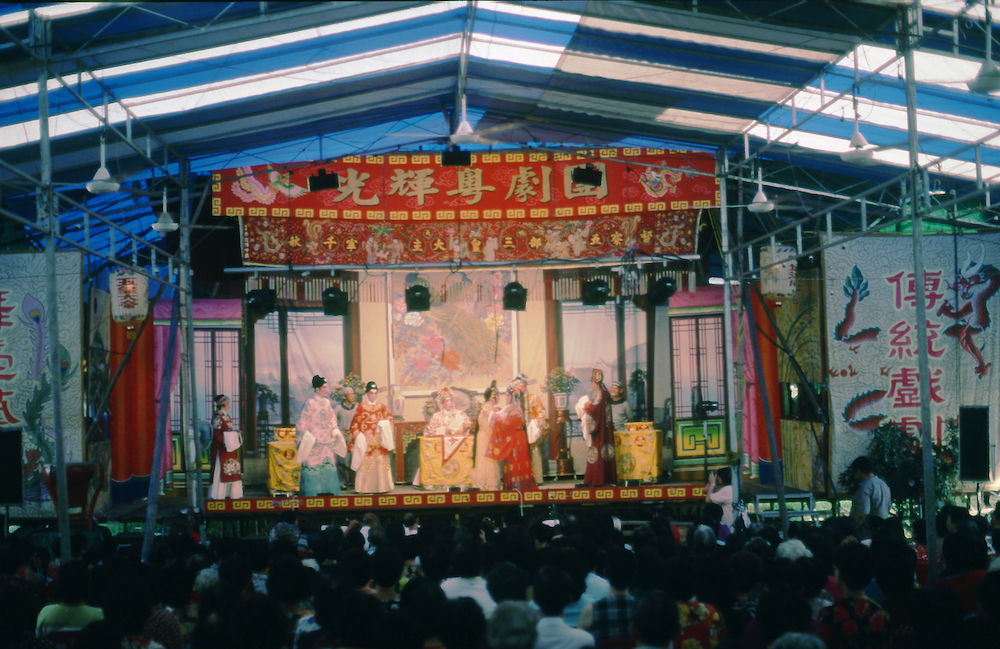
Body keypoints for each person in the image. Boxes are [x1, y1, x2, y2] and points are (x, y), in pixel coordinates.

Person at [295, 375, 347, 496]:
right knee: (313, 466)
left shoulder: (327, 403)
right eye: (324, 387)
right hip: (314, 443)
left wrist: (335, 430)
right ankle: (312, 493)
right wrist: (307, 435)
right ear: (317, 389)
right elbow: (302, 421)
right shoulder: (310, 403)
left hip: (326, 441)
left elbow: (332, 419)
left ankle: (329, 492)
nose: (327, 389)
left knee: (327, 466)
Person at [485, 381, 538, 491]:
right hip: (513, 436)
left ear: (513, 396)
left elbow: (506, 423)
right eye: (506, 395)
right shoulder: (510, 407)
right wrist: (497, 412)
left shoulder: (517, 408)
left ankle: (519, 486)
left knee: (517, 459)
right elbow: (504, 416)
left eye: (508, 395)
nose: (506, 397)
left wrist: (494, 417)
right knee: (511, 459)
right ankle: (511, 486)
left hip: (517, 436)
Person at [415, 387, 472, 487]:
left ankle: (461, 481)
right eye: (447, 401)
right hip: (441, 445)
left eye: (451, 401)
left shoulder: (460, 414)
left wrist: (462, 427)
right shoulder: (436, 416)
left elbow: (467, 425)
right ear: (442, 403)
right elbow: (430, 431)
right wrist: (445, 430)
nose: (449, 403)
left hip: (457, 443)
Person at [349, 381, 395, 493]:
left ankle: (383, 487)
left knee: (380, 462)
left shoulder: (382, 406)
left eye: (375, 393)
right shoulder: (362, 407)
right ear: (367, 394)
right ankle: (364, 488)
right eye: (371, 393)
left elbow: (390, 419)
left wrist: (384, 424)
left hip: (380, 441)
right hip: (366, 441)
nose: (373, 395)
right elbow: (355, 424)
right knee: (366, 464)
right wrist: (358, 435)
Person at [577, 368, 617, 487]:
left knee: (597, 452)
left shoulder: (598, 393)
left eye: (591, 381)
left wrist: (586, 410)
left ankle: (597, 479)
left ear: (594, 382)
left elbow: (594, 411)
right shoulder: (605, 392)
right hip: (606, 428)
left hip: (599, 430)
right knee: (604, 452)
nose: (591, 384)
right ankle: (607, 479)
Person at [511, 373, 548, 485]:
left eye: (521, 386)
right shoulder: (515, 402)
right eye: (517, 387)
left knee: (534, 452)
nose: (519, 389)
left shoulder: (533, 398)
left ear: (525, 386)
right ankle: (522, 479)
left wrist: (535, 423)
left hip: (531, 430)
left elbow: (541, 412)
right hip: (519, 431)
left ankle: (537, 479)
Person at [208, 394, 243, 499]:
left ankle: (231, 494)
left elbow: (226, 432)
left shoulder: (226, 416)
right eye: (227, 402)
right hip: (221, 449)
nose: (229, 404)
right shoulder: (217, 417)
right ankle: (219, 495)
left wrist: (235, 433)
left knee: (232, 470)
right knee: (222, 471)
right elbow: (217, 435)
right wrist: (233, 435)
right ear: (222, 404)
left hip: (229, 448)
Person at [849, 456, 891, 541]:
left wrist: (852, 530)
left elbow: (862, 514)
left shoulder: (865, 487)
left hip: (867, 531)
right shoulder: (883, 484)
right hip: (882, 528)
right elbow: (889, 507)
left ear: (859, 472)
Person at [471, 381, 502, 491]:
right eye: (498, 395)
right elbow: (489, 425)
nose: (499, 397)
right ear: (494, 396)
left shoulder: (488, 407)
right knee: (487, 459)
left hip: (485, 435)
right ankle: (487, 484)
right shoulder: (487, 408)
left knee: (486, 459)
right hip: (486, 436)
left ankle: (485, 483)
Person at [334, 384, 359, 489]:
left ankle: (355, 482)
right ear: (344, 397)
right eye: (349, 394)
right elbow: (331, 422)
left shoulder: (357, 408)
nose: (352, 396)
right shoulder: (339, 409)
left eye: (353, 394)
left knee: (356, 460)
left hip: (354, 437)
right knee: (342, 461)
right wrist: (339, 431)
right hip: (343, 438)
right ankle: (343, 482)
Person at [705, 466, 735, 536]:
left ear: (722, 478)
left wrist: (712, 483)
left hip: (732, 528)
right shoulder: (732, 488)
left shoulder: (726, 490)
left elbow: (708, 499)